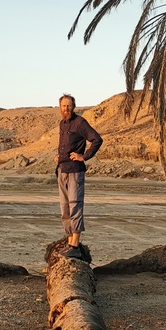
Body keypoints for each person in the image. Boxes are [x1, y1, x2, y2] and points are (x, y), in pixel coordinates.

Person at [54, 94, 103, 256]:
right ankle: (69, 243)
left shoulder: (80, 122)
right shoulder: (62, 124)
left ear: (73, 107)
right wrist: (58, 157)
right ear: (60, 107)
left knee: (75, 206)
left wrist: (84, 156)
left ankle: (75, 247)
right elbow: (65, 145)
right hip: (62, 170)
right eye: (63, 106)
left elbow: (97, 139)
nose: (66, 108)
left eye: (69, 105)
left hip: (75, 171)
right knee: (65, 209)